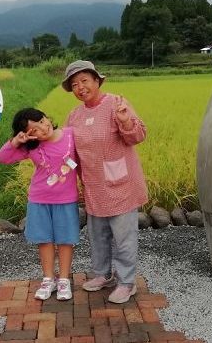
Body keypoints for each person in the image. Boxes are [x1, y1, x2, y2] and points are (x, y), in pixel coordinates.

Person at [61, 60, 148, 304]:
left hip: (121, 186)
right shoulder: (74, 115)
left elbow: (138, 136)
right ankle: (102, 274)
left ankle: (126, 282)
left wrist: (125, 121)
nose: (80, 87)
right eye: (75, 84)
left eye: (85, 81)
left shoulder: (115, 104)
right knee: (97, 235)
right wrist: (68, 179)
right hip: (93, 186)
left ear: (97, 81)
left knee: (123, 238)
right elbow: (70, 153)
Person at [0, 108, 80, 301]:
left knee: (66, 240)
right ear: (28, 135)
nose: (43, 128)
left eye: (42, 121)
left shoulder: (70, 135)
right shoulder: (30, 148)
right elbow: (2, 157)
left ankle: (64, 280)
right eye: (34, 130)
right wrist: (16, 141)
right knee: (44, 240)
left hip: (66, 199)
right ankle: (48, 278)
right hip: (39, 198)